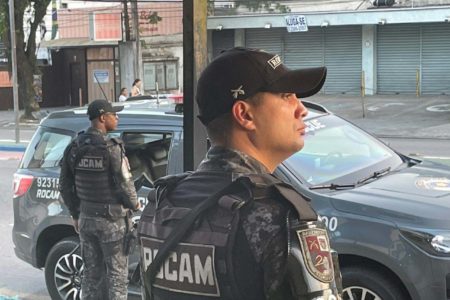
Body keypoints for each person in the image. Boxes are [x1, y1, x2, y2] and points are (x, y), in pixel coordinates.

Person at [137, 47, 341, 299]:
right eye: (287, 95)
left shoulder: (160, 206)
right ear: (244, 114)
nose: (302, 109)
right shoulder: (279, 219)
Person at [59, 99, 140, 300]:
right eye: (114, 114)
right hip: (112, 222)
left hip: (86, 219)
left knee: (90, 276)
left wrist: (75, 214)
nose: (117, 117)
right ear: (103, 118)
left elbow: (64, 185)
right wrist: (135, 204)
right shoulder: (112, 148)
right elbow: (125, 183)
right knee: (117, 278)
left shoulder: (75, 147)